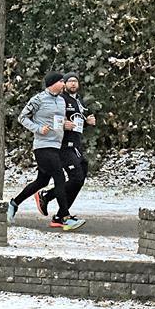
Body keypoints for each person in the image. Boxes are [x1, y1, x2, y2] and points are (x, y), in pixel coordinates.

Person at [7, 72, 86, 231]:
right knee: (59, 177)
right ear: (52, 83)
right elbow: (22, 118)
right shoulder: (39, 99)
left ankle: (13, 204)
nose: (63, 84)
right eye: (61, 81)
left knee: (42, 182)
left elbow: (57, 121)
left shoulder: (61, 101)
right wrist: (38, 129)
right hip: (43, 146)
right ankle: (64, 217)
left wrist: (64, 124)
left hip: (56, 146)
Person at [38, 71, 96, 218]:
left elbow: (76, 122)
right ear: (64, 84)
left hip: (76, 144)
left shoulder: (79, 101)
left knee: (79, 179)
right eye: (69, 81)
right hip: (63, 145)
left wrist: (87, 122)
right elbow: (52, 119)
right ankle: (47, 196)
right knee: (76, 178)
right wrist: (62, 125)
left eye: (75, 81)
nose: (73, 83)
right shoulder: (61, 99)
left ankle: (60, 216)